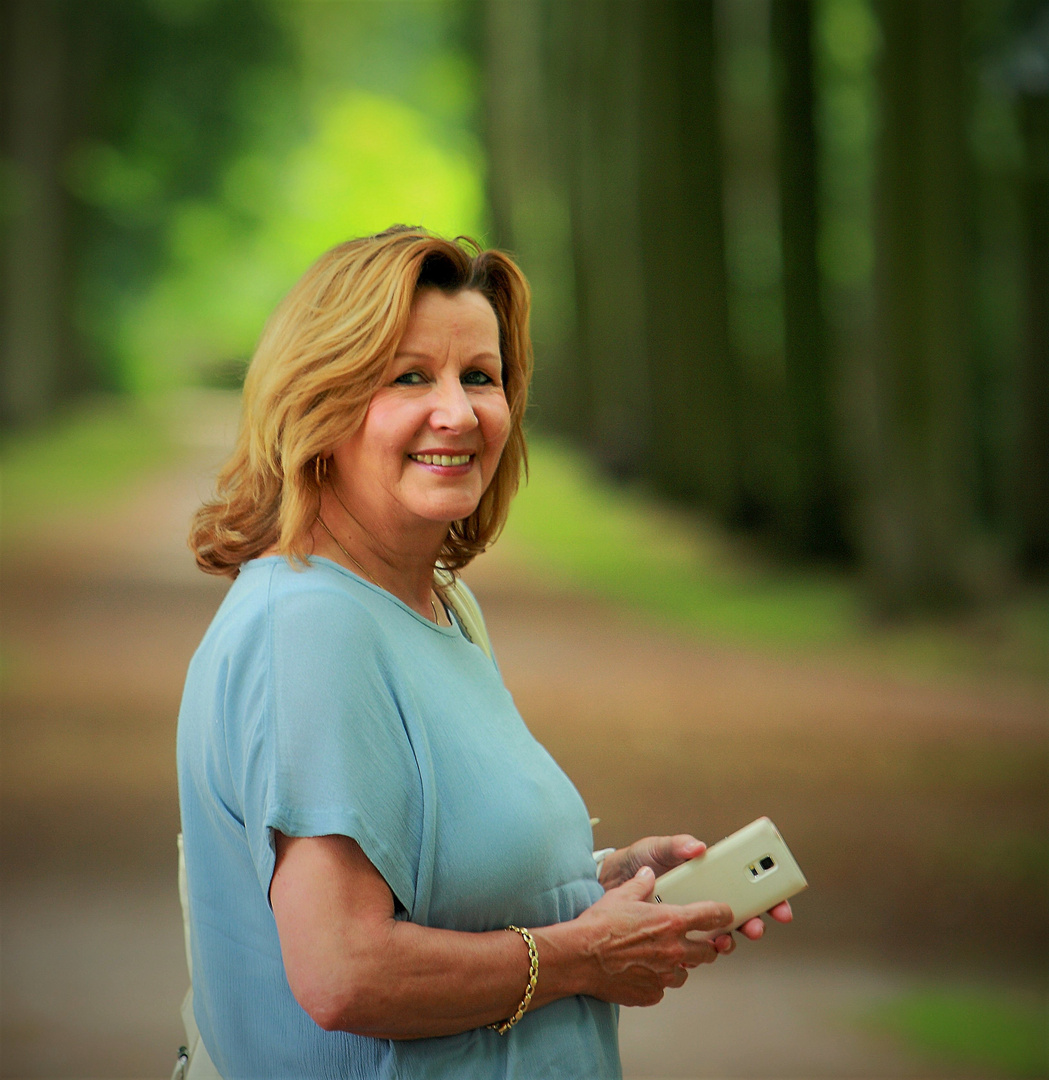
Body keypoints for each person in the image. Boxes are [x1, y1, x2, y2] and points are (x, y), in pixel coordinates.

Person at [177, 226, 791, 1079]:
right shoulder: (309, 628)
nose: (458, 413)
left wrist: (601, 885)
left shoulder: (436, 606)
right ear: (320, 402)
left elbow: (431, 874)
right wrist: (582, 955)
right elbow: (344, 973)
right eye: (408, 377)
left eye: (480, 376)